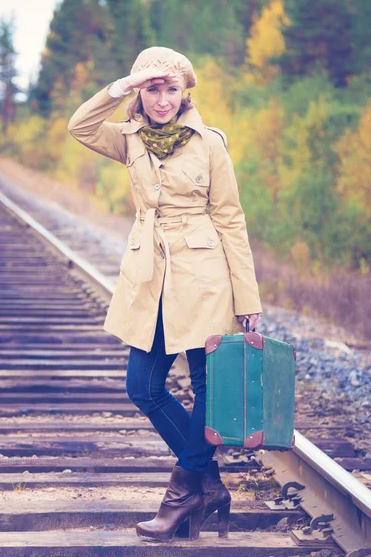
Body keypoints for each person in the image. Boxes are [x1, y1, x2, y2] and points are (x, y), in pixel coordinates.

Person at [68, 46, 262, 542]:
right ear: (140, 92)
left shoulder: (210, 143)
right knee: (143, 387)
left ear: (184, 93)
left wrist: (247, 298)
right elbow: (80, 127)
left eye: (170, 88)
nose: (161, 99)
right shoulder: (127, 139)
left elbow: (231, 220)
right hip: (150, 276)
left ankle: (180, 495)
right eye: (152, 89)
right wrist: (121, 86)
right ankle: (209, 484)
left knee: (206, 388)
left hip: (204, 276)